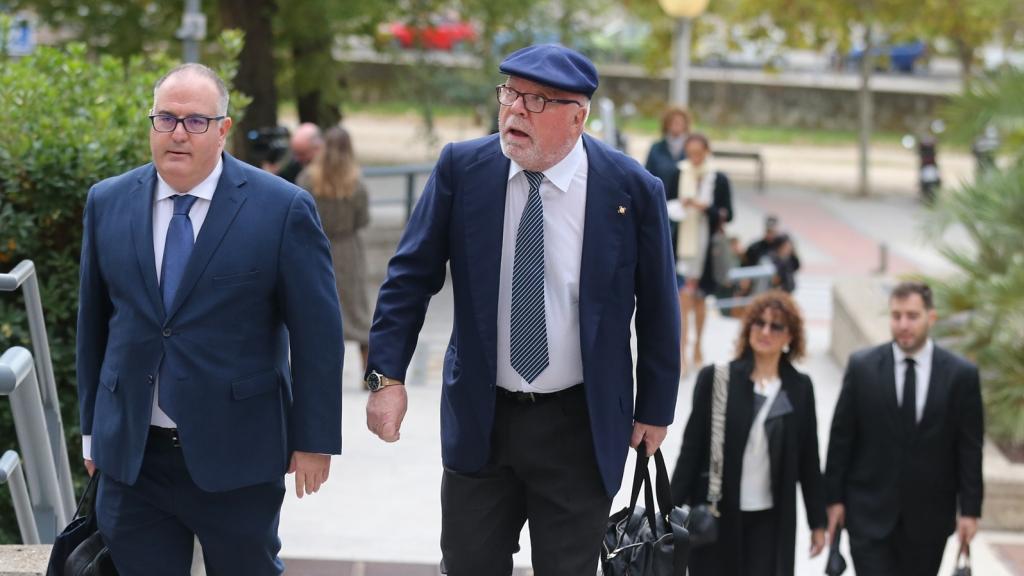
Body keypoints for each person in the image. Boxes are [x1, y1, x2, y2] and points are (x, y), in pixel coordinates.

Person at [364, 44, 680, 575]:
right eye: (509, 93)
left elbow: (658, 304)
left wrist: (655, 406)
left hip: (579, 424)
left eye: (536, 101)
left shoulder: (631, 190)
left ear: (577, 117)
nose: (513, 111)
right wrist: (386, 378)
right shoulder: (463, 170)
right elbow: (409, 277)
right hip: (482, 417)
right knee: (468, 565)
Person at [76, 63, 343, 575]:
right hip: (132, 457)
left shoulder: (282, 209)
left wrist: (314, 439)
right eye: (166, 119)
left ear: (223, 130)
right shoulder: (107, 201)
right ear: (151, 125)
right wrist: (93, 433)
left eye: (196, 121)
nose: (178, 133)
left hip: (238, 452)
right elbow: (95, 326)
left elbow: (319, 337)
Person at [825, 281, 984, 576]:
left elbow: (969, 447)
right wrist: (832, 499)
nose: (903, 325)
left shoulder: (961, 375)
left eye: (912, 316)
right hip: (868, 514)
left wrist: (971, 510)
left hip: (929, 519)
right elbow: (841, 438)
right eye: (896, 316)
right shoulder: (863, 367)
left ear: (931, 317)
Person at [671, 290, 827, 576]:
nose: (765, 331)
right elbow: (691, 450)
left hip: (771, 518)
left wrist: (818, 522)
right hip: (716, 514)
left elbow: (808, 460)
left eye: (776, 326)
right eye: (759, 322)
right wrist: (669, 509)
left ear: (790, 336)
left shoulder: (799, 388)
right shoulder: (717, 379)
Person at [298, 126, 372, 372]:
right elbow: (362, 219)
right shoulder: (357, 183)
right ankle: (366, 370)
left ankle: (319, 369)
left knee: (317, 308)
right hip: (348, 249)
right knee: (357, 309)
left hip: (316, 247)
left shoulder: (308, 178)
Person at [668, 133, 733, 374]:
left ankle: (698, 346)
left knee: (701, 299)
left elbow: (729, 214)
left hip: (707, 249)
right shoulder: (679, 172)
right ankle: (683, 350)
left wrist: (707, 208)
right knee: (683, 298)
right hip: (683, 245)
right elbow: (666, 204)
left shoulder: (718, 178)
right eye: (690, 153)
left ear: (707, 151)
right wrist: (682, 206)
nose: (694, 159)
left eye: (698, 153)